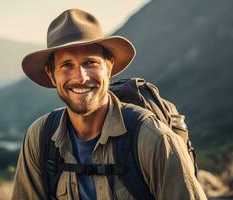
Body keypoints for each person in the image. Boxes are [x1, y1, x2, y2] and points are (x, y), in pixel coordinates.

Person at [12, 8, 207, 200]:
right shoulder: (39, 137)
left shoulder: (152, 138)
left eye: (90, 63)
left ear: (109, 66)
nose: (80, 77)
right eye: (66, 65)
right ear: (51, 74)